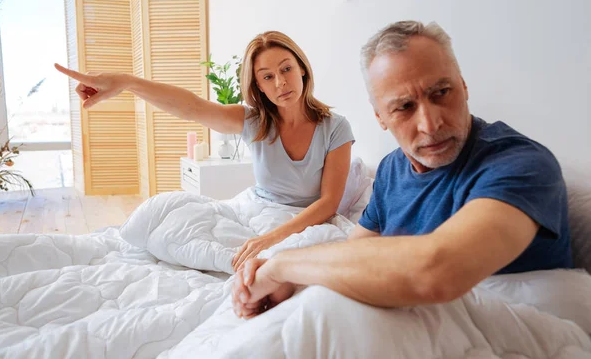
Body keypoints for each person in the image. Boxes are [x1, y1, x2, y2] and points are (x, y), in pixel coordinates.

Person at [232, 20, 573, 319]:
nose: (429, 123)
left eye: (441, 92)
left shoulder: (520, 164)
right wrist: (292, 284)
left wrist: (282, 266)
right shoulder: (393, 170)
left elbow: (437, 271)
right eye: (404, 107)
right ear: (379, 117)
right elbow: (356, 254)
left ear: (464, 86)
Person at [55, 30, 354, 272]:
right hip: (254, 210)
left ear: (301, 67)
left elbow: (329, 202)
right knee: (165, 224)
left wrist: (269, 239)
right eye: (267, 76)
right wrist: (127, 82)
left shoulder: (335, 127)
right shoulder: (254, 121)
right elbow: (192, 107)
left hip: (302, 221)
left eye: (286, 68)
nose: (281, 82)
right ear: (259, 87)